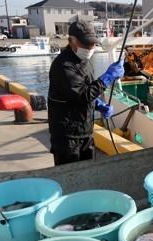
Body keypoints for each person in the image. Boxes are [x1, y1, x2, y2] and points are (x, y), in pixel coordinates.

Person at [48, 20, 124, 165]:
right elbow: (82, 94)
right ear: (71, 41)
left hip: (85, 131)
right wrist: (107, 77)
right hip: (67, 136)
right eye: (85, 43)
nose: (90, 47)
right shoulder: (63, 66)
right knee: (70, 176)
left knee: (88, 172)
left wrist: (97, 104)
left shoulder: (86, 62)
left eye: (92, 43)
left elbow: (82, 93)